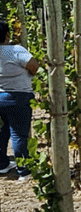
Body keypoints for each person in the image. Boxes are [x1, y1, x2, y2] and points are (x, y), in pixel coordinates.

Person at [0, 19, 39, 181]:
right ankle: (24, 171)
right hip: (18, 97)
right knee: (19, 135)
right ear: (7, 35)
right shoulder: (14, 50)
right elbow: (34, 66)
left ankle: (2, 164)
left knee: (2, 132)